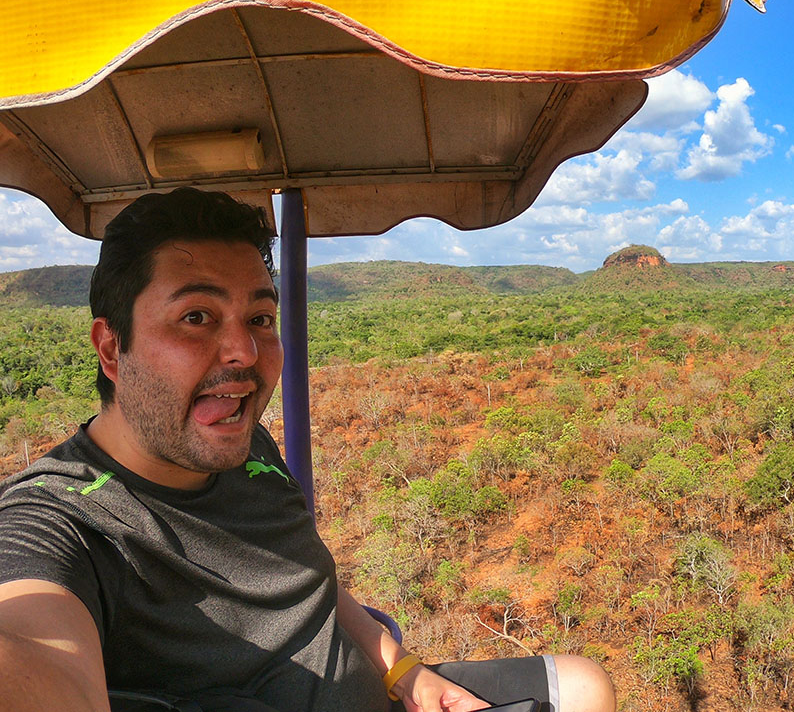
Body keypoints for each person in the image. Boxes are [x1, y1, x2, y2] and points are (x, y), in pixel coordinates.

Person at [0, 188, 615, 712]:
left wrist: (406, 672)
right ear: (111, 349)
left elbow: (311, 583)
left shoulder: (241, 441)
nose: (243, 352)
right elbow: (41, 662)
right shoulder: (56, 520)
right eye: (196, 317)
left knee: (586, 686)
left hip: (383, 690)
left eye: (261, 318)